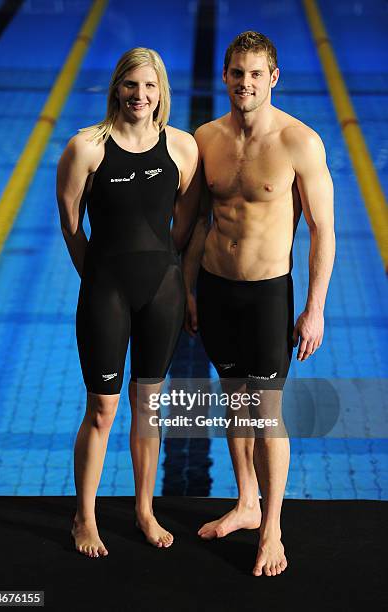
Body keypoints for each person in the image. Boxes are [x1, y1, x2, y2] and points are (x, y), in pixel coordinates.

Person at [183, 31, 335, 577]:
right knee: (234, 402)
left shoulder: (301, 142)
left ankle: (272, 529)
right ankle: (247, 503)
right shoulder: (206, 138)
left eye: (255, 74)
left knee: (267, 414)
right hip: (216, 287)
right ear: (224, 76)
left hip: (269, 293)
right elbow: (201, 220)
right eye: (236, 73)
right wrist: (188, 288)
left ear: (273, 78)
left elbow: (323, 231)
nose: (244, 83)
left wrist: (314, 307)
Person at [56, 47, 199, 557]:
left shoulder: (181, 148)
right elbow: (71, 224)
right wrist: (96, 278)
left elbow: (183, 225)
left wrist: (172, 274)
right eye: (131, 85)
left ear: (162, 92)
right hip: (107, 291)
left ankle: (144, 510)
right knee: (102, 409)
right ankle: (84, 518)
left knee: (149, 408)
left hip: (162, 290)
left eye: (150, 87)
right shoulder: (86, 148)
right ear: (117, 87)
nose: (140, 96)